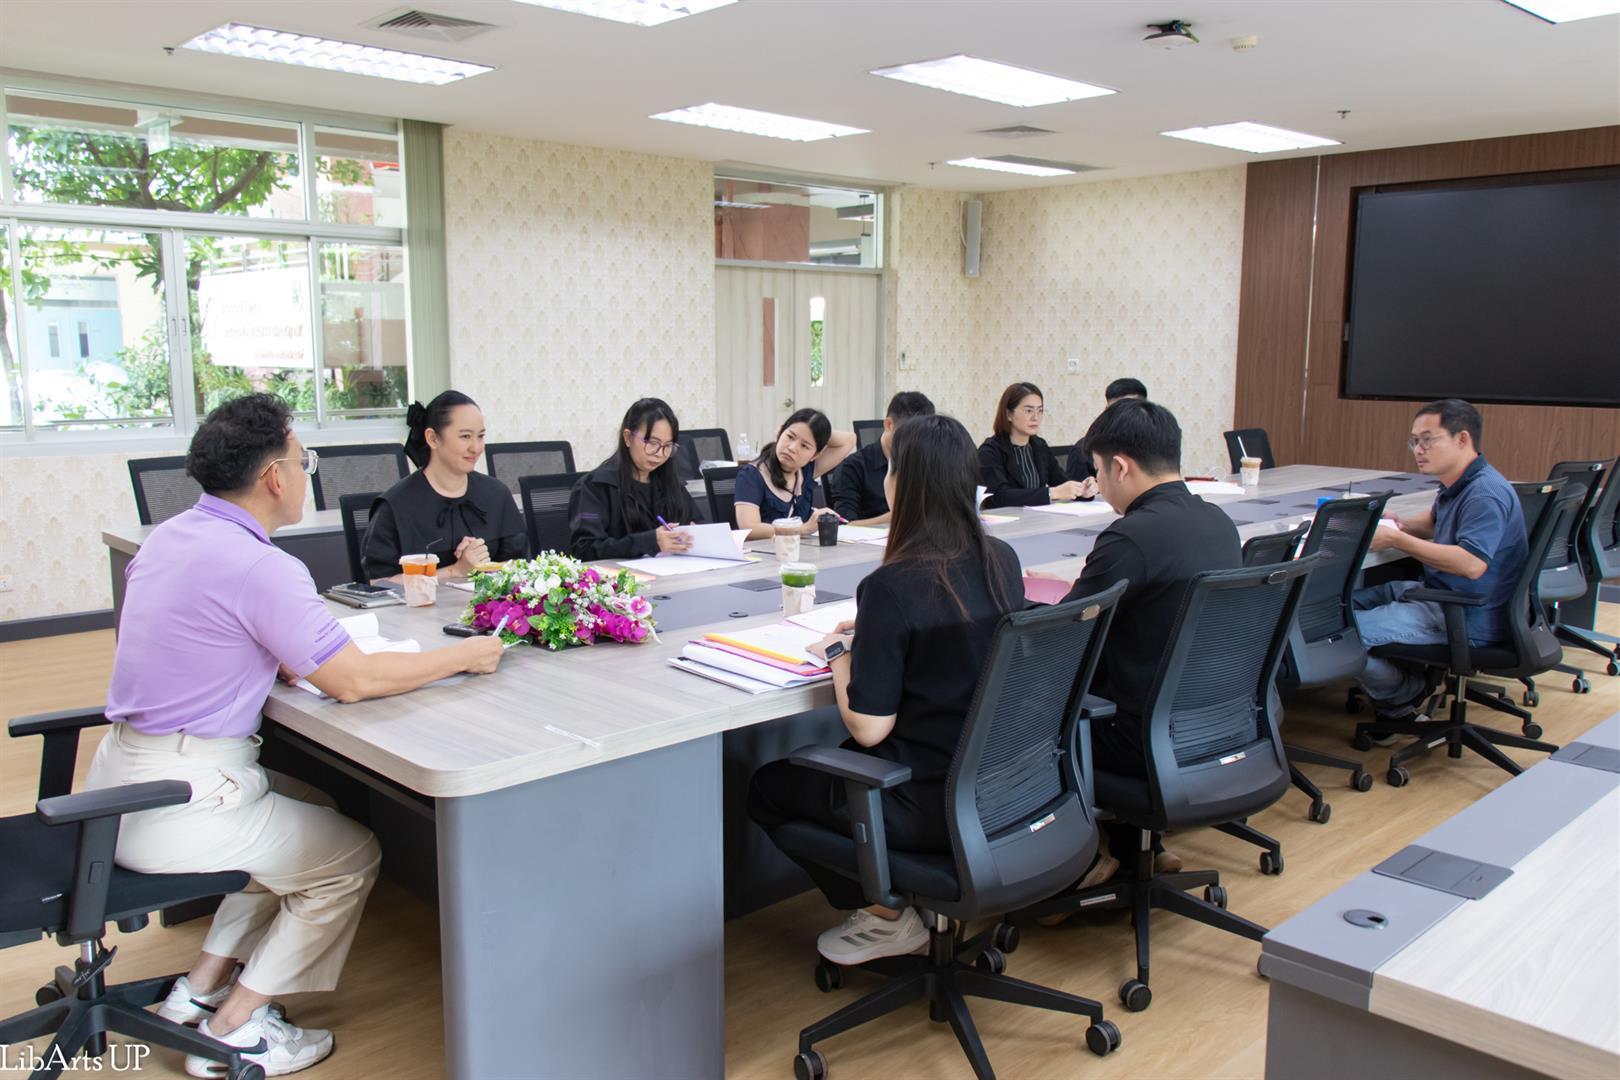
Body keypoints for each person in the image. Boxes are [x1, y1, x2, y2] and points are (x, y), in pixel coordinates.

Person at [85, 393, 507, 1077]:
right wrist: (467, 655)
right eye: (302, 460)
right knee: (350, 856)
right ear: (273, 477)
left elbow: (217, 639)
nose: (306, 472)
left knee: (310, 810)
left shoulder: (170, 537)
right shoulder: (262, 566)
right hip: (187, 796)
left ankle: (200, 988)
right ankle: (238, 1028)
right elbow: (352, 681)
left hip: (119, 784)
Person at [748, 414, 1024, 964]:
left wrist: (837, 653)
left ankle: (887, 913)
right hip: (1002, 786)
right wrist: (875, 632)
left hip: (922, 800)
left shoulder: (892, 586)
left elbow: (869, 730)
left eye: (892, 468)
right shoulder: (1002, 559)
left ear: (904, 485)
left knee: (767, 788)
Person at [1044, 399, 1240, 885]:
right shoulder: (1218, 522)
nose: (1100, 483)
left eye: (1098, 471)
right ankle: (1136, 847)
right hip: (1214, 719)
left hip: (1143, 736)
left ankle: (1074, 866)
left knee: (1025, 722)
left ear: (1121, 466)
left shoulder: (1130, 537)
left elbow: (1063, 637)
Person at [1355, 399, 1527, 723]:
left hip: (1464, 613)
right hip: (1442, 595)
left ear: (1462, 439)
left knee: (1342, 636)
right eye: (1414, 441)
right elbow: (1434, 522)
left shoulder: (1484, 493)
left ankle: (1402, 694)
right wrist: (1400, 523)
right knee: (1335, 610)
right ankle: (1406, 680)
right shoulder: (1462, 482)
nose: (1418, 450)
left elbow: (1471, 564)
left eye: (1427, 440)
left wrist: (1396, 539)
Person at [362, 391, 527, 580]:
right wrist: (456, 571)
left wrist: (484, 564)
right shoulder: (395, 506)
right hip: (419, 601)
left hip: (486, 600)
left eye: (480, 436)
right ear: (433, 438)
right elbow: (379, 583)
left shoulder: (497, 494)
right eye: (465, 436)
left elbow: (519, 565)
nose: (476, 447)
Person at [569, 397, 701, 561]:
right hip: (620, 575)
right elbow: (584, 550)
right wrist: (651, 541)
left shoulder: (670, 482)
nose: (660, 454)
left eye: (667, 446)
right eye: (652, 443)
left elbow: (696, 523)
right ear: (627, 437)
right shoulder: (595, 487)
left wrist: (696, 534)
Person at [733, 407, 856, 540]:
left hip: (800, 550)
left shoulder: (806, 470)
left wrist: (818, 429)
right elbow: (749, 529)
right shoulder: (752, 474)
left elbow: (849, 440)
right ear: (780, 433)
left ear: (815, 455)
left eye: (804, 446)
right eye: (790, 437)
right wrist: (801, 530)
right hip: (764, 551)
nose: (792, 448)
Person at [978, 382, 1094, 507]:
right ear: (1009, 414)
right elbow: (999, 496)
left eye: (1040, 411)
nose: (1035, 417)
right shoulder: (990, 451)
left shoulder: (1039, 446)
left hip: (1037, 516)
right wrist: (1051, 493)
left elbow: (1062, 483)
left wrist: (1083, 490)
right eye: (1028, 411)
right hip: (1004, 518)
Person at [831, 391, 935, 526]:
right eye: (910, 434)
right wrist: (897, 515)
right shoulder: (852, 467)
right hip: (871, 539)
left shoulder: (924, 463)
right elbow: (844, 525)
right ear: (888, 425)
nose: (916, 442)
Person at [1066, 377, 1148, 484]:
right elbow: (1078, 492)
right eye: (1114, 410)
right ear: (1106, 410)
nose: (1122, 416)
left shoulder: (1156, 446)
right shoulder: (1084, 451)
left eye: (1129, 410)